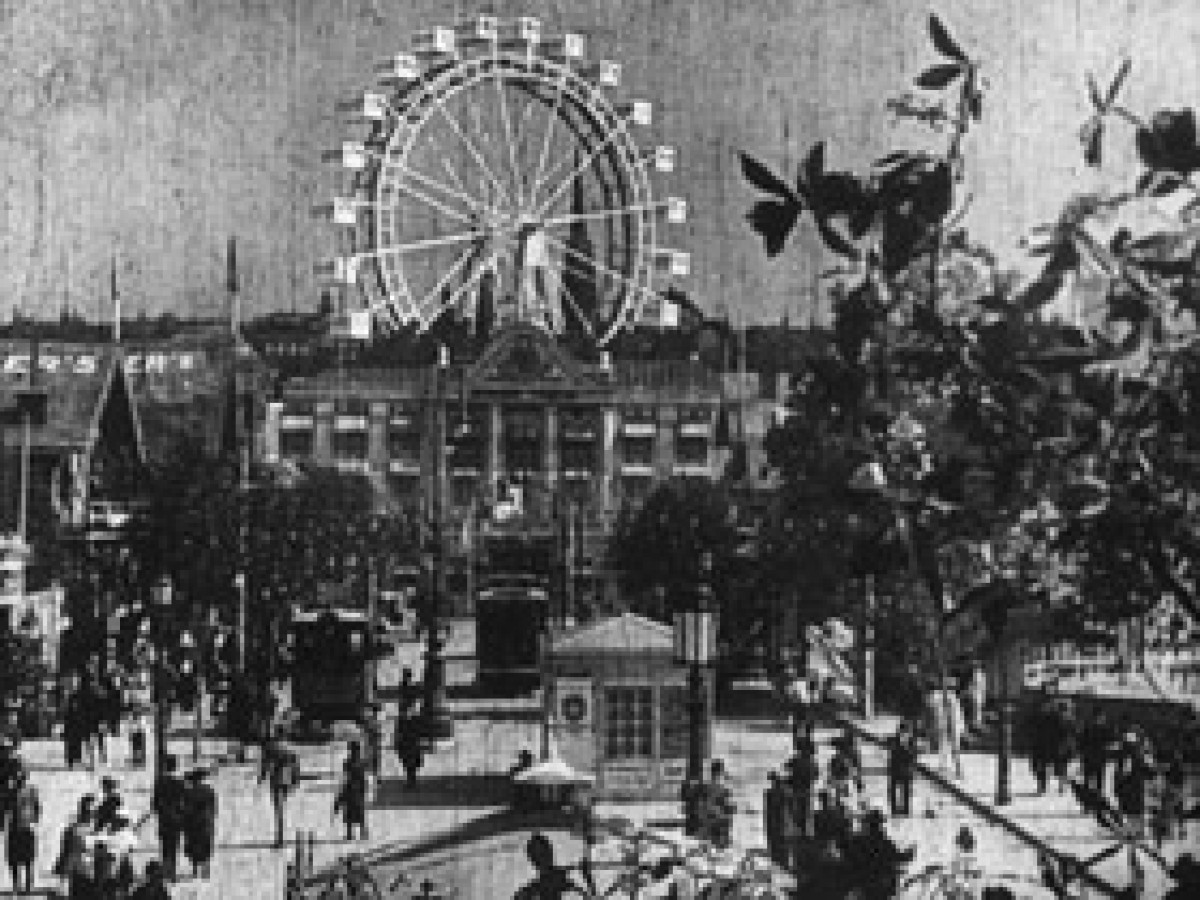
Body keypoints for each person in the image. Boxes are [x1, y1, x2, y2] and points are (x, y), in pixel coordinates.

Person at [844, 807, 915, 900]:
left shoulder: (857, 841)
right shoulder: (884, 843)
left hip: (863, 888)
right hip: (881, 887)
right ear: (879, 825)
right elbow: (899, 858)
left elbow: (847, 860)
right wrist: (909, 853)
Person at [511, 832, 586, 899]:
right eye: (537, 856)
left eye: (543, 854)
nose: (541, 860)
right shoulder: (529, 891)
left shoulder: (568, 879)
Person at [261, 729, 301, 848]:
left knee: (279, 811)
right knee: (281, 809)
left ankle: (280, 839)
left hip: (276, 780)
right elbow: (296, 767)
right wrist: (295, 780)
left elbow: (266, 764)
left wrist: (262, 777)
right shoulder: (291, 749)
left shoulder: (271, 748)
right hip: (287, 780)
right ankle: (281, 838)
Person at [151, 754, 187, 880]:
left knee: (165, 846)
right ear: (175, 766)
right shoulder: (180, 782)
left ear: (165, 766)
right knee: (174, 846)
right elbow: (184, 801)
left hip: (164, 819)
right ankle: (172, 872)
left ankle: (166, 871)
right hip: (176, 819)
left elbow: (155, 803)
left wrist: (160, 811)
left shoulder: (160, 782)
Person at [53, 794, 95, 900]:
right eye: (86, 810)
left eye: (91, 811)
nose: (89, 814)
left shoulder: (98, 827)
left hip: (91, 868)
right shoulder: (72, 828)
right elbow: (65, 848)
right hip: (77, 867)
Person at [5, 769, 40, 894]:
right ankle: (16, 885)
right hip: (14, 827)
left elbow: (37, 807)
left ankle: (28, 886)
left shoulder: (31, 791)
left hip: (27, 827)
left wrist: (34, 820)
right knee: (14, 859)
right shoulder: (10, 791)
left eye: (22, 776)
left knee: (28, 859)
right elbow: (5, 807)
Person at [182, 768, 218, 879]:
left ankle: (195, 869)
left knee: (193, 845)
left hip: (192, 823)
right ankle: (206, 870)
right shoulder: (210, 791)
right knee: (206, 845)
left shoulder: (188, 792)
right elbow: (214, 809)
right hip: (206, 822)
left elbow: (185, 808)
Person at [334, 741, 370, 841]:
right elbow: (366, 777)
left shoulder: (347, 763)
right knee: (359, 811)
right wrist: (366, 789)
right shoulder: (362, 762)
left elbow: (345, 777)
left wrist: (340, 793)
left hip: (350, 788)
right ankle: (362, 832)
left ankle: (350, 833)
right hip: (359, 789)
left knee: (350, 811)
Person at [701, 759, 735, 848]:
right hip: (715, 820)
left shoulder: (712, 786)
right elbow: (709, 804)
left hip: (715, 819)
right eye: (721, 771)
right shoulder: (716, 787)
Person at [763, 771, 794, 870]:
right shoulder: (787, 792)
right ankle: (784, 866)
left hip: (775, 823)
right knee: (784, 848)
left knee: (775, 848)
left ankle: (779, 866)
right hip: (784, 823)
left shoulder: (770, 793)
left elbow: (768, 811)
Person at [887, 720, 918, 817]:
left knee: (906, 790)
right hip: (895, 768)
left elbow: (913, 755)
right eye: (902, 732)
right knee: (893, 789)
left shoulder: (911, 742)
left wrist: (907, 750)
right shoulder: (894, 740)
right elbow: (891, 749)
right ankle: (894, 810)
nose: (905, 735)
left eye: (906, 732)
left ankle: (906, 810)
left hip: (906, 769)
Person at [1079, 710, 1113, 796]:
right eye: (1102, 717)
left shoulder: (1088, 729)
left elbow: (1082, 743)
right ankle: (1096, 797)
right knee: (1097, 780)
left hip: (1090, 757)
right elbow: (1109, 744)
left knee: (1089, 779)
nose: (1103, 719)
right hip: (1098, 757)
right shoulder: (1104, 730)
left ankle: (1088, 796)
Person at [394, 715, 424, 789]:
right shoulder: (403, 722)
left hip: (411, 746)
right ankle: (411, 781)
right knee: (409, 765)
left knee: (411, 765)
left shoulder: (414, 722)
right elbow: (398, 735)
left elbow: (419, 734)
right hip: (408, 746)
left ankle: (411, 781)